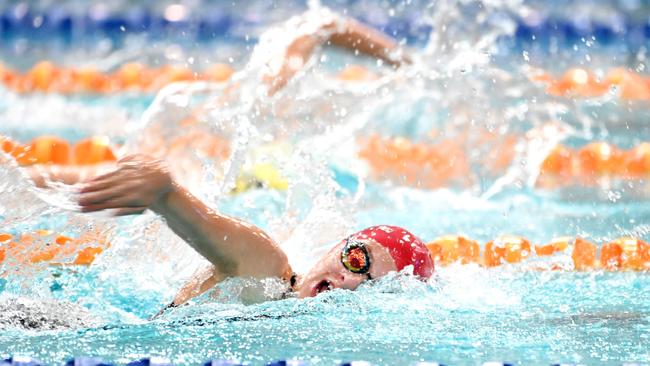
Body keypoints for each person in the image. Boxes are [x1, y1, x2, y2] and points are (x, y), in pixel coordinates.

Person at [10, 8, 432, 309]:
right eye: (357, 259)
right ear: (338, 246)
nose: (349, 279)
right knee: (35, 179)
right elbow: (317, 25)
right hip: (171, 164)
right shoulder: (269, 266)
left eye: (370, 282)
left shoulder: (286, 294)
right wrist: (166, 191)